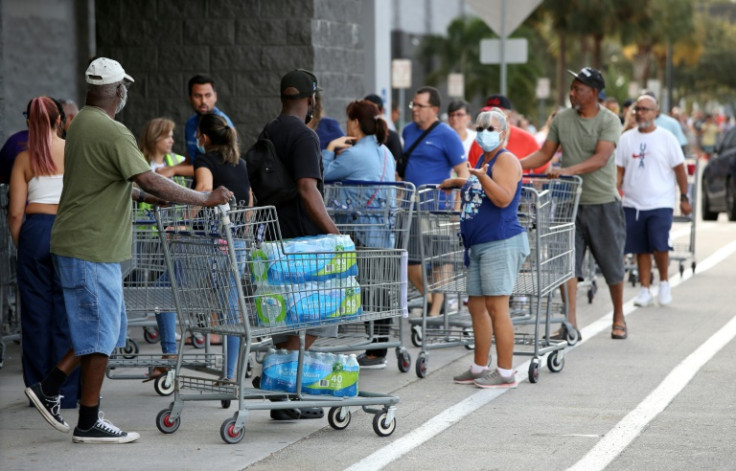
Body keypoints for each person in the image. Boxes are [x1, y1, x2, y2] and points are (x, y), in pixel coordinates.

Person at [24, 57, 234, 444]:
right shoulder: (113, 131)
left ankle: (50, 385)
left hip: (86, 244)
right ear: (118, 91)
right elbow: (152, 177)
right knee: (101, 331)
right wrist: (205, 197)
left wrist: (141, 196)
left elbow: (104, 180)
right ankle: (88, 421)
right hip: (91, 247)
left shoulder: (82, 123)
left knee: (108, 328)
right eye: (125, 88)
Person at [520, 67, 626, 340]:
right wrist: (512, 164)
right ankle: (570, 323)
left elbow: (601, 158)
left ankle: (618, 316)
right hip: (569, 203)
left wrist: (567, 171)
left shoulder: (609, 120)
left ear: (593, 93)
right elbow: (544, 153)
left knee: (612, 264)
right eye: (572, 87)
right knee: (566, 264)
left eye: (578, 88)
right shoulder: (562, 119)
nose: (572, 92)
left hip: (602, 202)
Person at [258, 69, 339, 420]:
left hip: (275, 238)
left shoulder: (269, 131)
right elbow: (309, 190)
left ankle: (285, 393)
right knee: (317, 316)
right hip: (304, 242)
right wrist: (335, 234)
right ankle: (282, 384)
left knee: (288, 315)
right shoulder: (305, 136)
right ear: (312, 100)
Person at [440, 108, 529, 388]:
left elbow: (503, 198)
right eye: (480, 128)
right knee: (476, 305)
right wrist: (460, 181)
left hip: (500, 242)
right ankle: (480, 366)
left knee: (496, 306)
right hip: (479, 244)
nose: (483, 133)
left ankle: (505, 372)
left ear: (503, 133)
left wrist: (482, 176)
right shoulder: (484, 159)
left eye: (490, 129)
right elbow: (480, 190)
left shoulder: (506, 160)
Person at [8, 96, 81, 409]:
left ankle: (38, 391)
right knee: (69, 311)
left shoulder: (24, 159)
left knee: (36, 314)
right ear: (61, 120)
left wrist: (21, 242)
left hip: (35, 231)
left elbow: (14, 214)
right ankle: (66, 391)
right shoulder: (74, 152)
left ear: (29, 123)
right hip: (69, 229)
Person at [322, 99, 396, 369]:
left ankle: (377, 351)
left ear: (354, 122)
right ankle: (380, 345)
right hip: (384, 230)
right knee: (379, 286)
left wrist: (330, 148)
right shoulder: (385, 151)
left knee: (369, 287)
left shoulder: (353, 154)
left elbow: (322, 173)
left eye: (348, 120)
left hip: (363, 229)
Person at [616, 95, 692, 307]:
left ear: (655, 113)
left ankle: (665, 283)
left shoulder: (666, 138)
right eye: (638, 109)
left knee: (659, 244)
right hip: (632, 203)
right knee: (640, 248)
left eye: (646, 109)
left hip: (660, 202)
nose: (640, 113)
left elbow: (680, 169)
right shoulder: (626, 139)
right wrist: (614, 194)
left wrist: (685, 198)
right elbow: (619, 171)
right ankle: (645, 289)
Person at [193, 113, 252, 383]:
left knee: (165, 289)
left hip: (209, 242)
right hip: (236, 240)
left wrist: (183, 223)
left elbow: (204, 189)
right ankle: (230, 374)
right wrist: (245, 233)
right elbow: (249, 200)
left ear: (204, 138)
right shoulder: (240, 164)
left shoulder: (204, 160)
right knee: (231, 307)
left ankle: (170, 353)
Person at [402, 86, 468, 318]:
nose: (415, 109)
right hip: (411, 208)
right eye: (414, 105)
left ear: (434, 109)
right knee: (411, 263)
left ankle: (435, 314)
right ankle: (431, 301)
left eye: (420, 106)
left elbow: (463, 171)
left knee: (441, 260)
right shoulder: (408, 131)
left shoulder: (447, 135)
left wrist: (458, 207)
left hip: (438, 209)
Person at [136, 117, 187, 382]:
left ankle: (169, 346)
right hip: (147, 233)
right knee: (158, 285)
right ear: (154, 137)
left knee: (163, 288)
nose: (171, 141)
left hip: (172, 234)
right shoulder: (139, 163)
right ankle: (168, 340)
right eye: (166, 136)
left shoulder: (177, 162)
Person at [157, 74, 234, 179]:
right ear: (190, 98)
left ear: (215, 96)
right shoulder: (190, 123)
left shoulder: (222, 123)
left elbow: (219, 167)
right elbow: (190, 161)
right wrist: (164, 170)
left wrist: (173, 169)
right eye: (198, 96)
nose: (203, 101)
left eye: (208, 95)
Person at [467, 95, 547, 174]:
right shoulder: (479, 141)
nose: (490, 117)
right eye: (487, 114)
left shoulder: (527, 139)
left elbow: (544, 169)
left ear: (508, 116)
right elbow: (471, 173)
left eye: (496, 114)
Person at [364, 93, 403, 167]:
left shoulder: (392, 136)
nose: (369, 114)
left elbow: (396, 164)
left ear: (381, 111)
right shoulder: (356, 134)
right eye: (365, 110)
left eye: (372, 110)